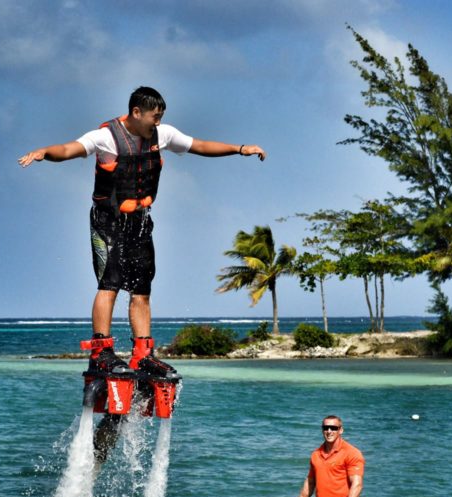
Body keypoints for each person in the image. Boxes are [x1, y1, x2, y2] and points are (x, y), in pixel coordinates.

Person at [18, 86, 266, 377]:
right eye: (154, 117)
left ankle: (143, 355)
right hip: (107, 222)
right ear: (136, 113)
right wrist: (44, 153)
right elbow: (69, 149)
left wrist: (240, 149)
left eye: (161, 117)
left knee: (142, 289)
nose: (157, 123)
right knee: (109, 284)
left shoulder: (163, 135)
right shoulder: (105, 137)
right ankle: (102, 353)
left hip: (140, 222)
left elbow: (199, 145)